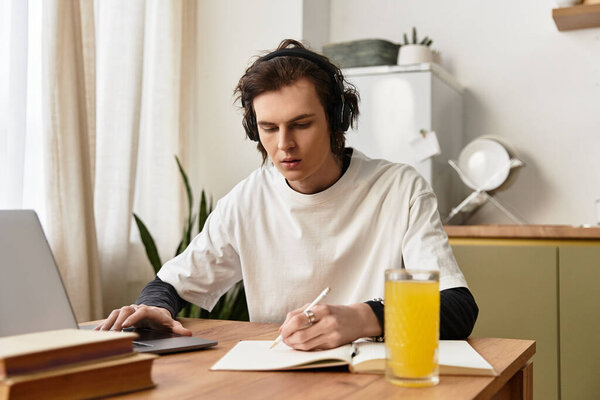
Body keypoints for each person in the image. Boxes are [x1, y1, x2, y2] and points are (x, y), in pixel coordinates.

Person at [97, 39, 478, 350]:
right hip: (280, 376)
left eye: (301, 124)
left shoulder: (400, 189)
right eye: (268, 128)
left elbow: (458, 308)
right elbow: (169, 284)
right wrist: (155, 307)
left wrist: (362, 317)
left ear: (337, 120)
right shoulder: (248, 200)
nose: (284, 145)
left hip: (375, 378)